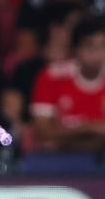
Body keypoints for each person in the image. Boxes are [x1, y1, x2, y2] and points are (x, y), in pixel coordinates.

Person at [30, 16, 105, 151]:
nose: (98, 54)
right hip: (60, 161)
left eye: (103, 46)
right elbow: (43, 132)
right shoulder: (52, 76)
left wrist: (73, 133)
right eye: (90, 46)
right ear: (76, 50)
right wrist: (87, 128)